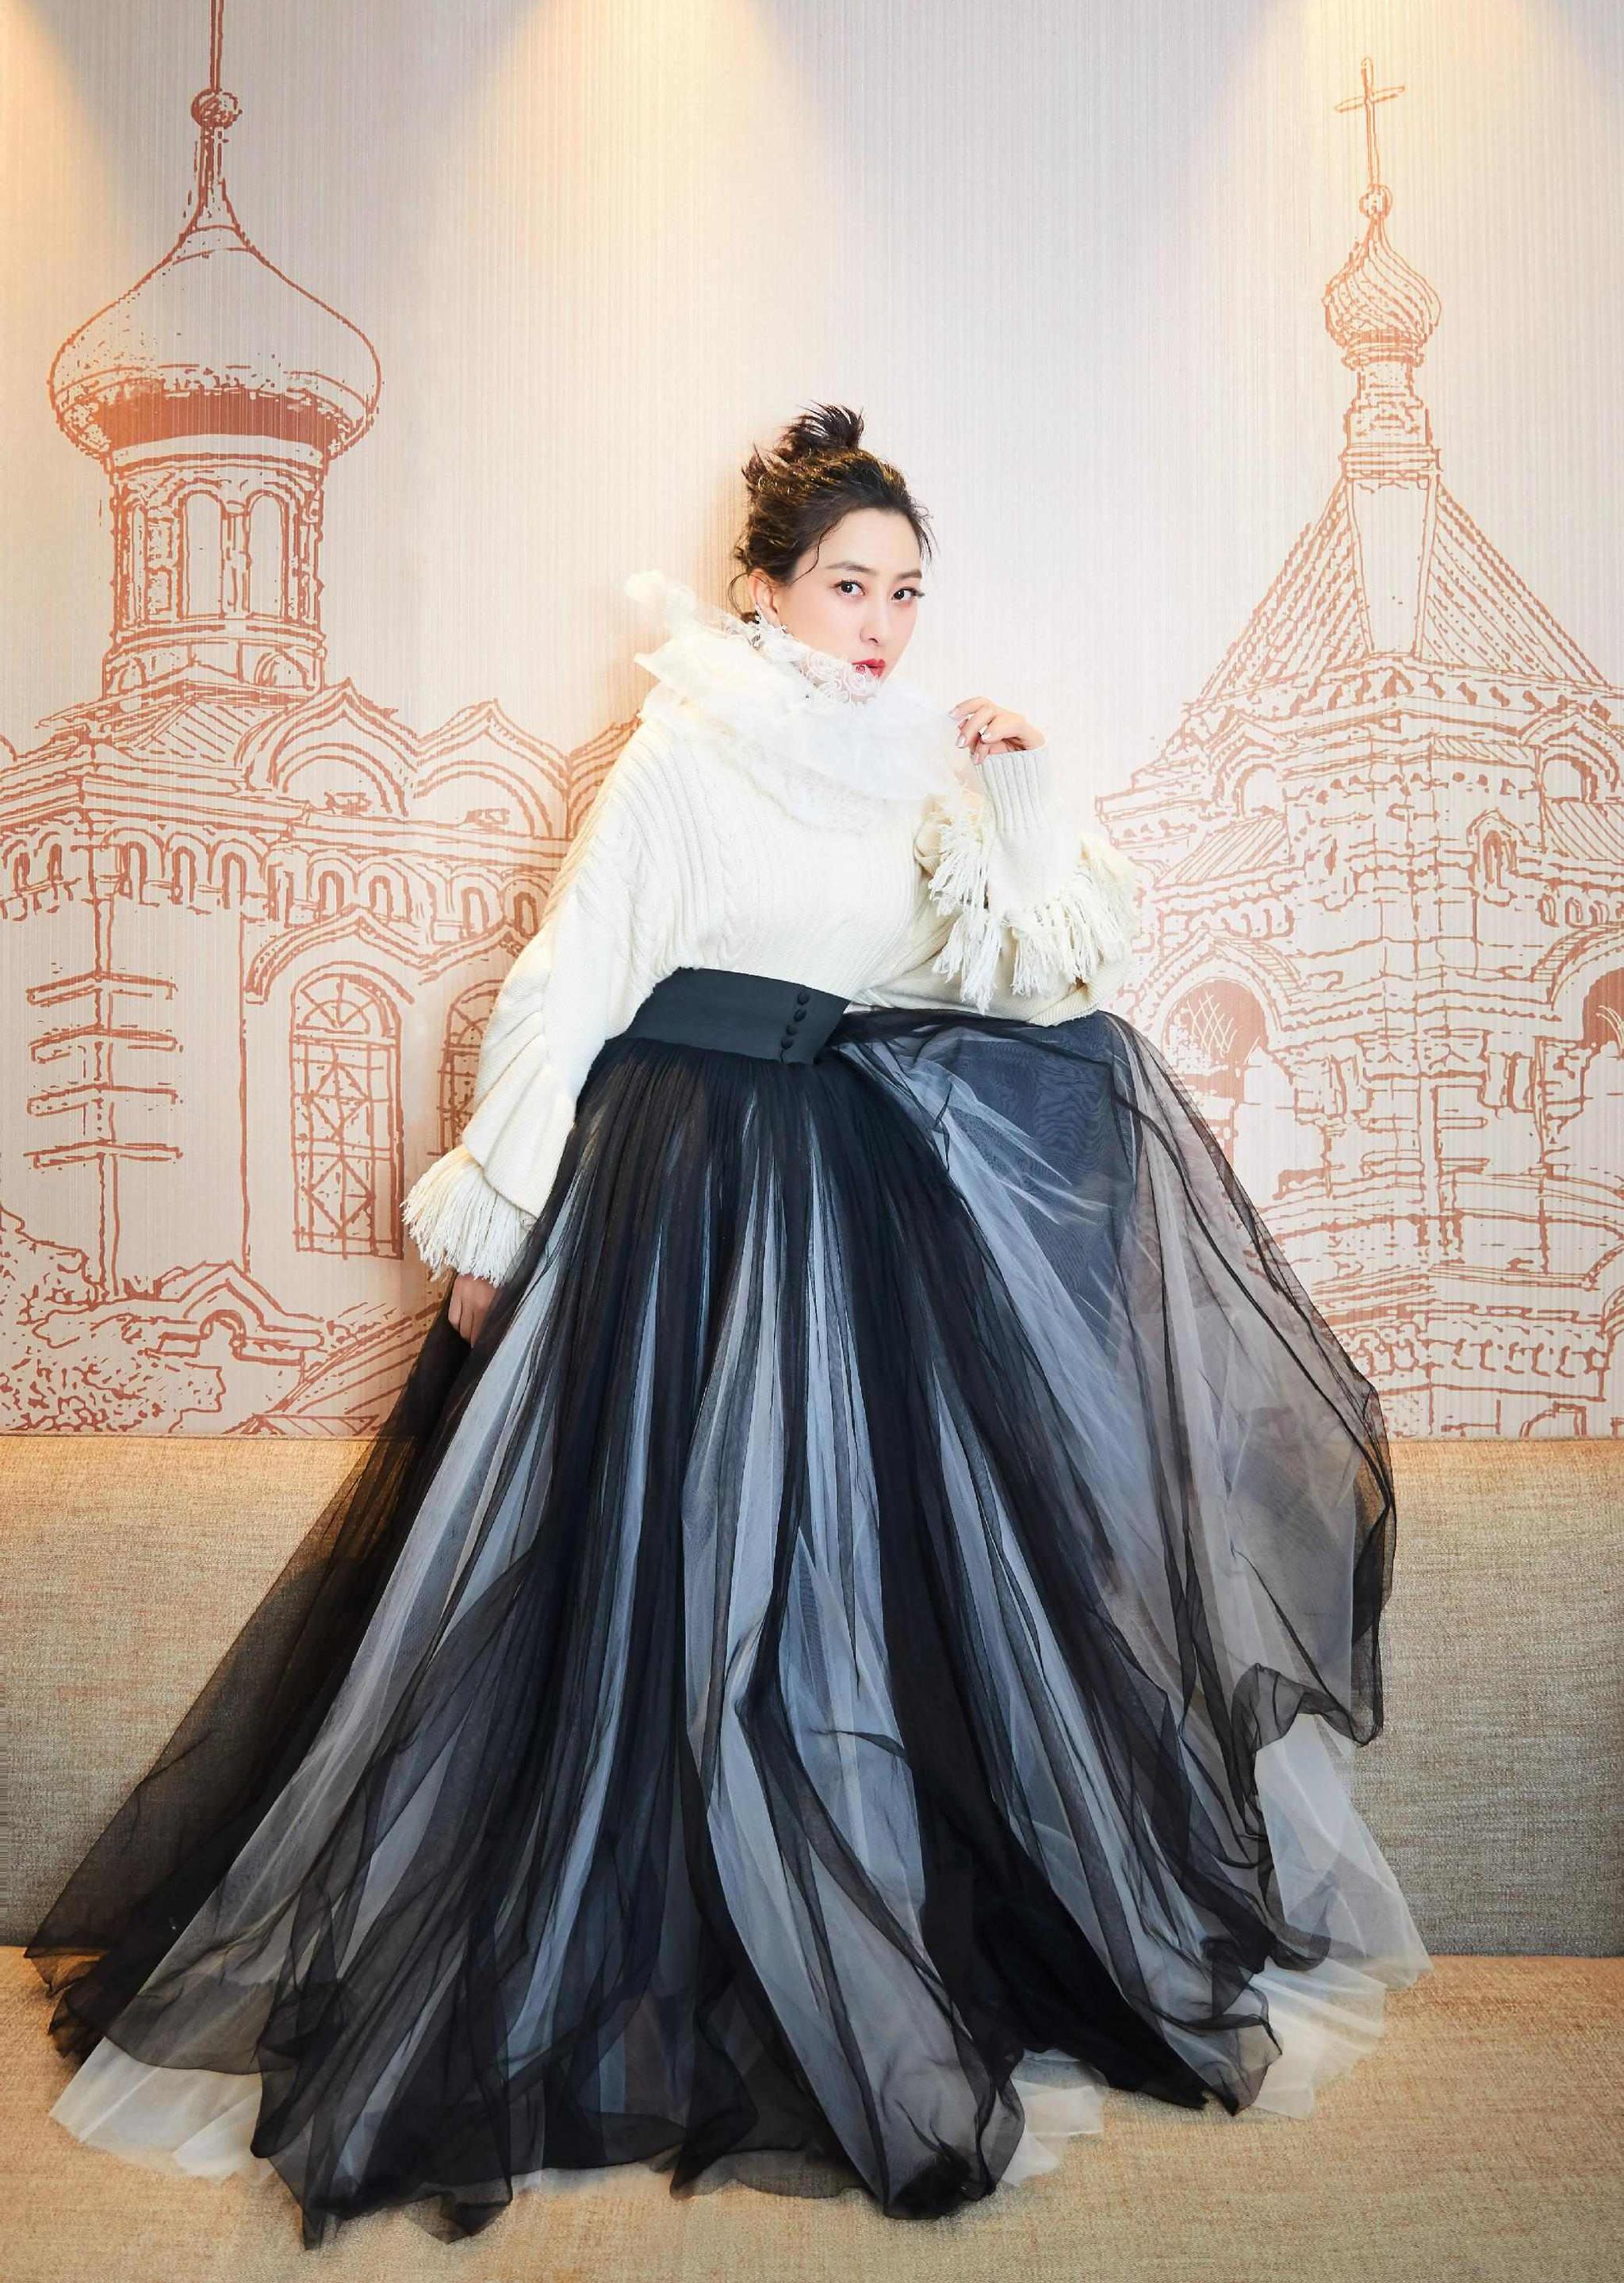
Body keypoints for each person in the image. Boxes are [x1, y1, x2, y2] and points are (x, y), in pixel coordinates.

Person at [27, 404, 1433, 2250]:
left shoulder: (921, 772)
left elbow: (1036, 984)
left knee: (844, 1581)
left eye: (907, 592)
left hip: (842, 1208)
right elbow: (570, 977)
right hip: (679, 1190)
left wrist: (1022, 793)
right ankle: (624, 1950)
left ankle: (837, 1939)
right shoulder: (685, 753)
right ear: (761, 589)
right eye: (848, 585)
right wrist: (497, 1213)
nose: (882, 624)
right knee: (658, 1579)